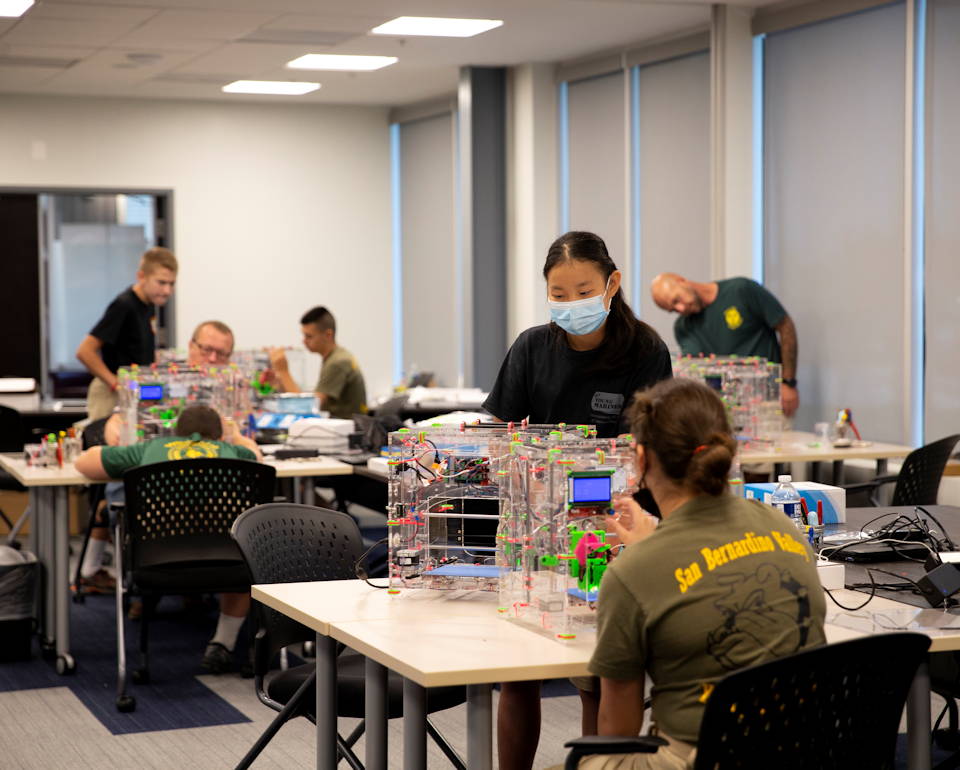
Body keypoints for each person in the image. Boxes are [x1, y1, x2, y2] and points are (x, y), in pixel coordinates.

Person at [484, 231, 672, 770]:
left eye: (582, 291)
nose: (570, 305)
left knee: (598, 676)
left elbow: (645, 452)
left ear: (612, 284)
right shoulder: (531, 347)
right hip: (531, 527)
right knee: (519, 676)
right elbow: (500, 434)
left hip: (608, 528)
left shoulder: (645, 351)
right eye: (558, 295)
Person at [581, 378, 826, 768]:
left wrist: (645, 553)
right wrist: (654, 544)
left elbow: (617, 731)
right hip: (806, 750)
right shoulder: (784, 528)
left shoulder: (632, 572)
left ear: (641, 459)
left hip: (704, 758)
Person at [75, 404, 262, 673]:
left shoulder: (152, 448)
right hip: (228, 565)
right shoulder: (234, 451)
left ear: (176, 432)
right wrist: (237, 436)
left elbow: (85, 463)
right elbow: (258, 457)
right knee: (244, 544)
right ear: (220, 437)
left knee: (114, 504)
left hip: (155, 563)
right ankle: (223, 643)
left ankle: (128, 596)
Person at [77, 320, 240, 594]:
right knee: (118, 492)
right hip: (152, 490)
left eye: (221, 354)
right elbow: (120, 417)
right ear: (191, 346)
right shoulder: (156, 381)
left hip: (209, 501)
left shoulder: (232, 391)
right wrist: (115, 427)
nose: (212, 359)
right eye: (206, 349)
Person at [650, 273, 799, 418]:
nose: (681, 309)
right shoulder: (683, 327)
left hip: (767, 400)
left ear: (681, 280)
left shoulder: (741, 290)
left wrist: (788, 382)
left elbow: (785, 326)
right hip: (723, 410)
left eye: (677, 300)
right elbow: (694, 368)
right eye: (673, 309)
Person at [76, 247, 178, 421]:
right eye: (161, 283)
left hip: (134, 391)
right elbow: (84, 351)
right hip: (111, 395)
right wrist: (116, 384)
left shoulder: (149, 304)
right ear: (141, 277)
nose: (167, 291)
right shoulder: (124, 305)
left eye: (171, 284)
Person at [268, 306, 367, 420]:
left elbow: (306, 408)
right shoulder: (335, 357)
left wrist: (283, 372)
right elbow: (310, 399)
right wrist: (280, 381)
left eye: (309, 336)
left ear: (328, 335)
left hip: (346, 433)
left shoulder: (338, 362)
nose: (304, 341)